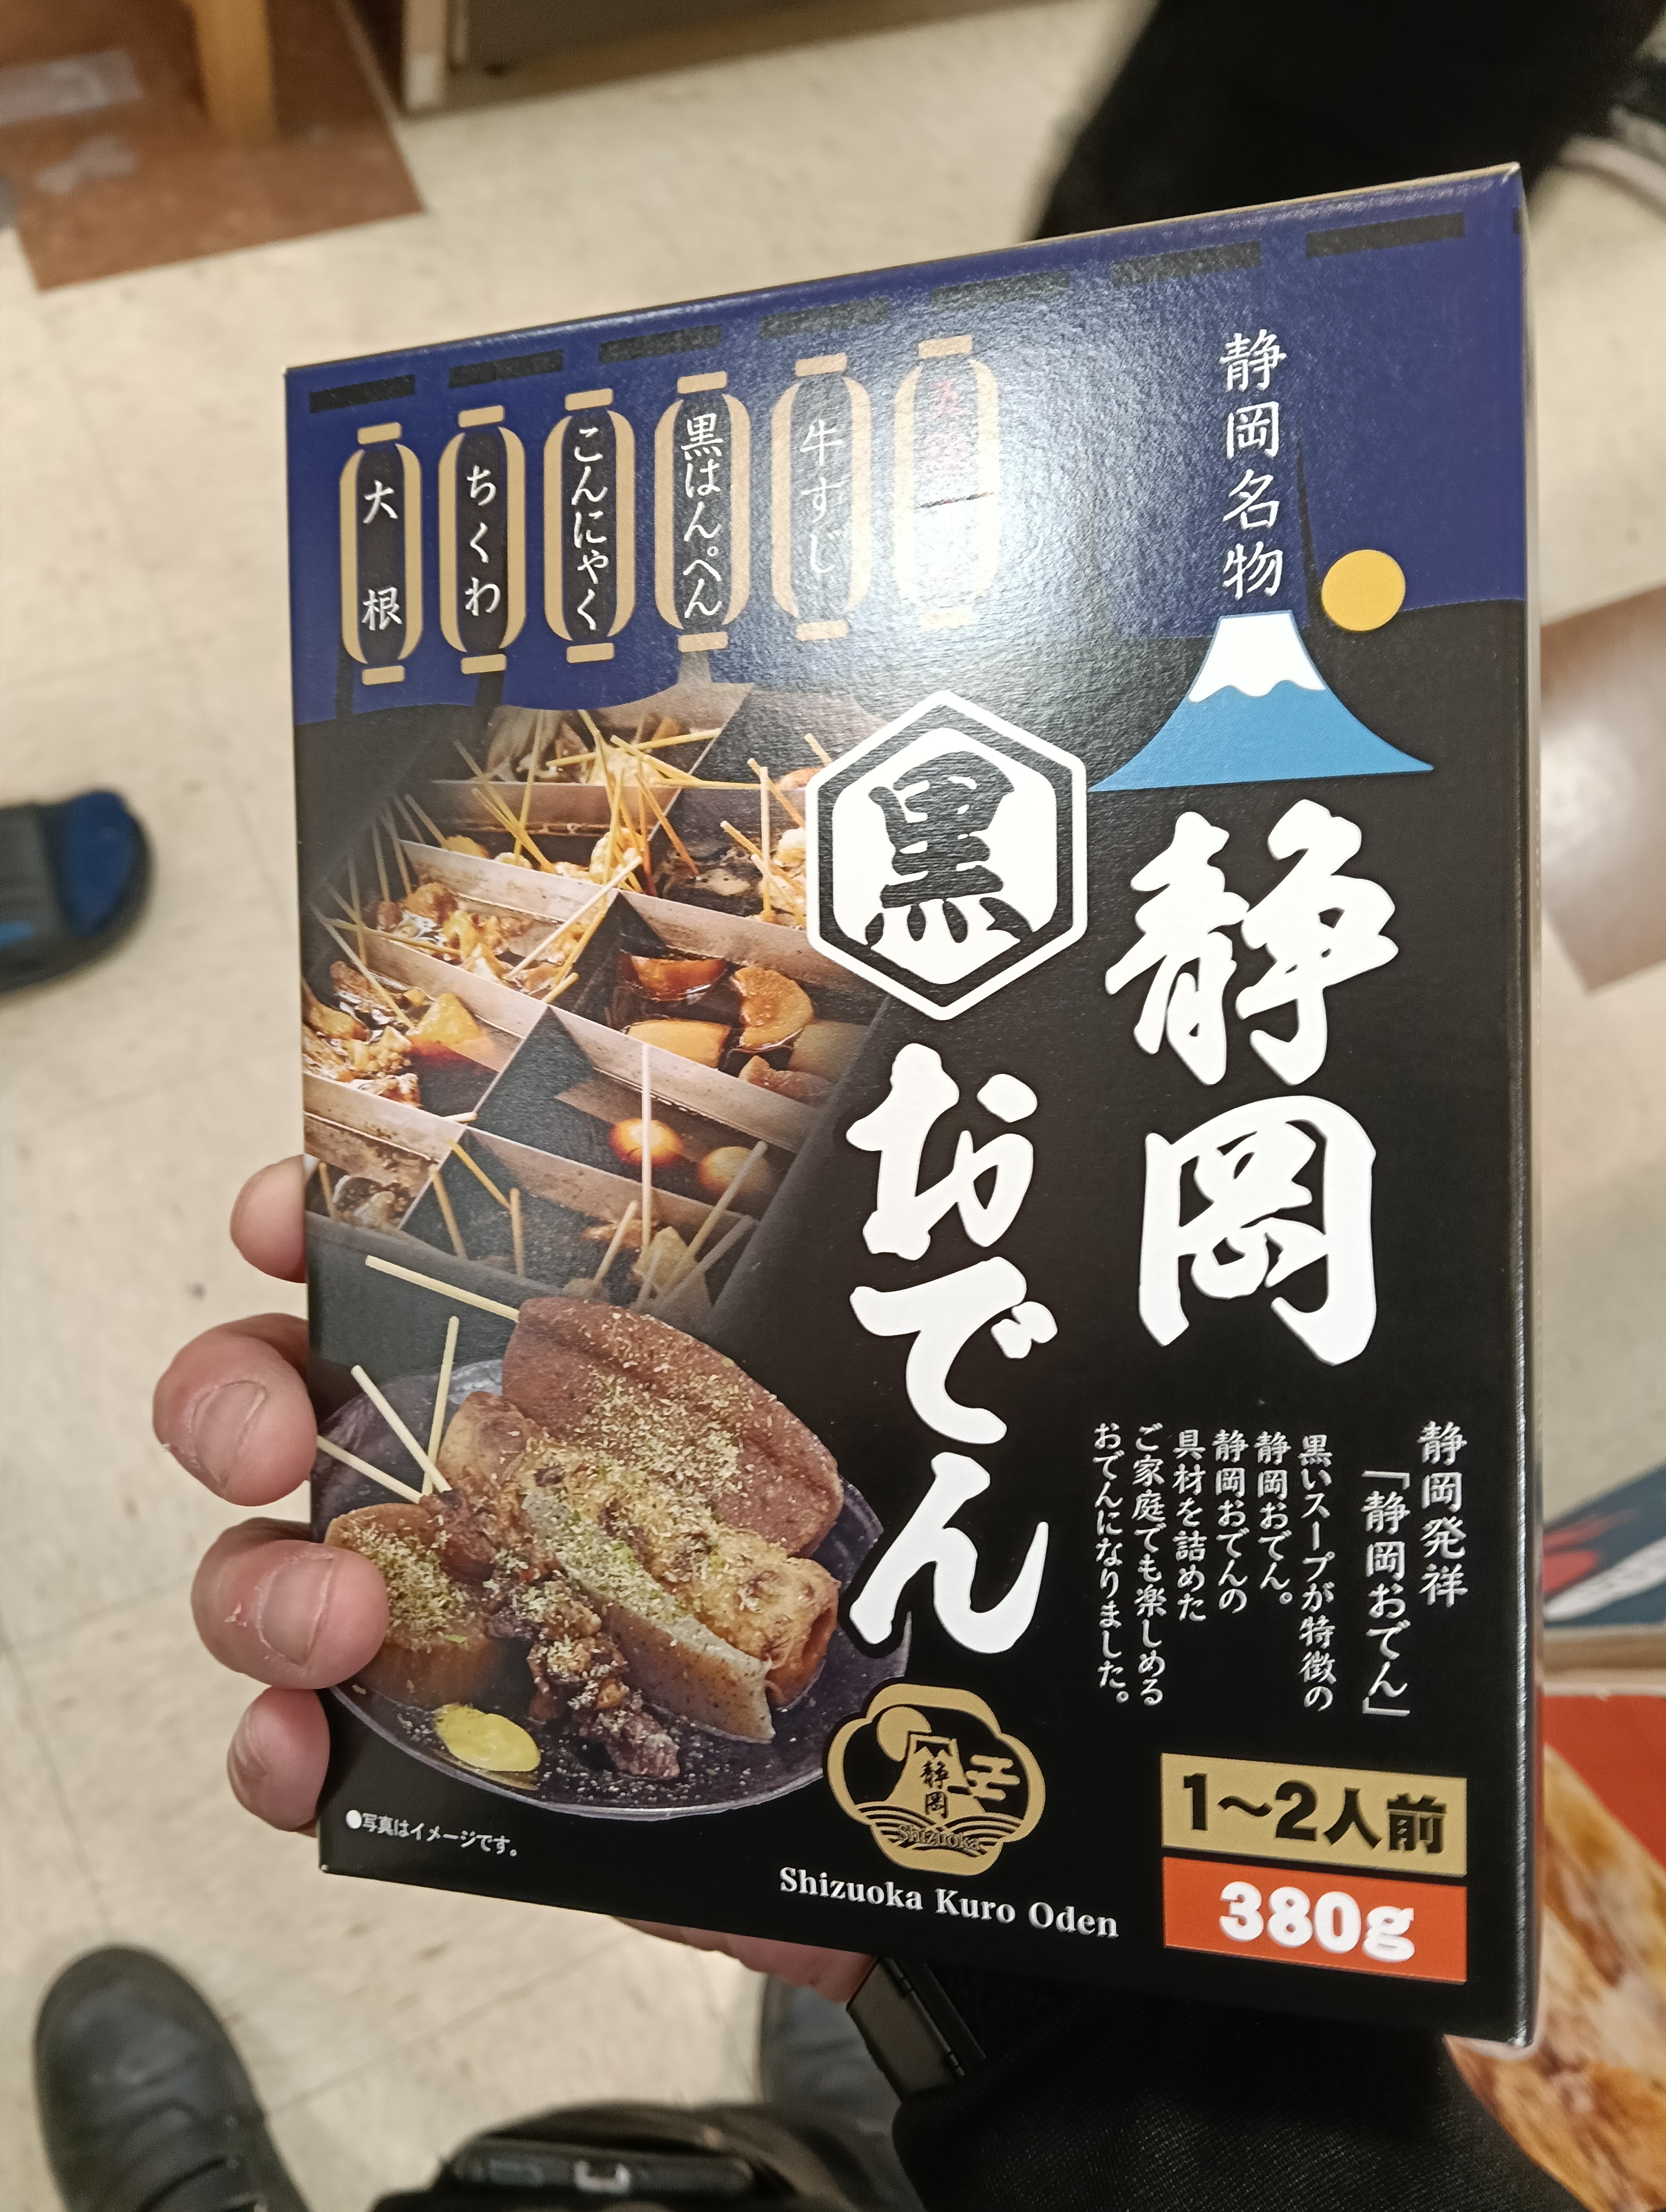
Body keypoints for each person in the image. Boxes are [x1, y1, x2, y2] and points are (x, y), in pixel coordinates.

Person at [88, 1159, 1584, 2212]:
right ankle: (868, 2066)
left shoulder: (780, 1577)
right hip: (1045, 2123)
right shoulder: (517, 1444)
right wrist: (1026, 2012)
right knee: (834, 2158)